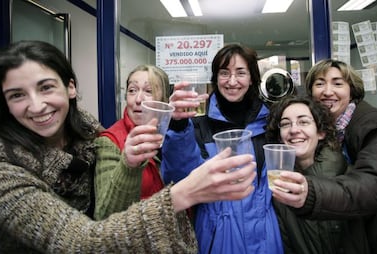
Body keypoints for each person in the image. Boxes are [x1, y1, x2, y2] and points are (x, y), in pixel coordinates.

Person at [0, 40, 258, 253]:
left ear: (70, 88)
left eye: (46, 87)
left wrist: (176, 127)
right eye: (17, 95)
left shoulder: (88, 135)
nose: (37, 106)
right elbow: (82, 242)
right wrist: (181, 194)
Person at [161, 44, 283, 253]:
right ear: (216, 78)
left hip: (266, 239)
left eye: (241, 73)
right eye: (224, 73)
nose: (232, 81)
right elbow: (178, 178)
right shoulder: (199, 126)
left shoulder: (271, 124)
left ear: (252, 78)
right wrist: (178, 125)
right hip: (216, 237)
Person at [270, 59, 377, 254]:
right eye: (319, 83)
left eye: (337, 83)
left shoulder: (376, 126)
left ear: (352, 89)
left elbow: (371, 186)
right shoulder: (324, 142)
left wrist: (310, 194)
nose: (327, 91)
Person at [266, 95, 354, 253]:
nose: (294, 130)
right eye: (286, 124)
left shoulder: (347, 178)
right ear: (280, 137)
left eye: (304, 122)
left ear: (321, 132)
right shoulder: (278, 186)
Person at [93, 64, 170, 220]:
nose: (138, 99)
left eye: (148, 91)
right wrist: (128, 166)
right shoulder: (110, 141)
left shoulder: (174, 134)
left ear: (164, 99)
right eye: (132, 91)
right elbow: (104, 215)